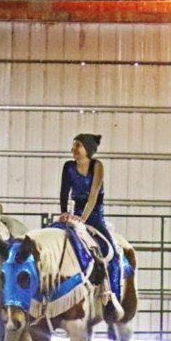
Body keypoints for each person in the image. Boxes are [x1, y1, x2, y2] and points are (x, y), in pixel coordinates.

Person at [59, 133, 123, 316]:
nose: (73, 150)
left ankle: (112, 298)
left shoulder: (97, 166)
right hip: (74, 214)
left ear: (87, 149)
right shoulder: (68, 167)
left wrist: (83, 219)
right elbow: (64, 192)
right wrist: (64, 213)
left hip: (93, 216)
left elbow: (93, 195)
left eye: (77, 146)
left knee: (111, 252)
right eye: (73, 146)